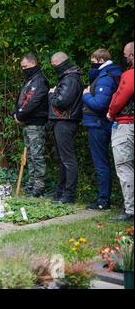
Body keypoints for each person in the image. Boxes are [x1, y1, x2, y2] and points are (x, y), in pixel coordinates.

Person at [82, 49, 122, 210]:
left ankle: (103, 200)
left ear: (100, 60)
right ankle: (104, 197)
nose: (91, 64)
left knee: (101, 163)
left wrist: (85, 95)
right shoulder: (109, 74)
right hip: (101, 123)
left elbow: (99, 104)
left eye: (93, 60)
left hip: (98, 124)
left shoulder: (105, 77)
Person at [48, 52, 83, 205]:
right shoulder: (67, 78)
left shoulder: (70, 79)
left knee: (67, 159)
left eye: (54, 65)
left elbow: (61, 101)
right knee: (62, 159)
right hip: (61, 121)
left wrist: (51, 94)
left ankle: (68, 195)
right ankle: (61, 191)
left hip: (65, 122)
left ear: (62, 63)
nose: (53, 68)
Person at [13, 52, 49, 197]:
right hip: (27, 122)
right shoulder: (29, 80)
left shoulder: (40, 81)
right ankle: (32, 182)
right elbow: (21, 99)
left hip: (36, 123)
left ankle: (39, 185)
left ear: (33, 64)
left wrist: (21, 115)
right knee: (30, 155)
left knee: (37, 155)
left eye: (25, 66)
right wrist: (15, 113)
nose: (23, 69)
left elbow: (33, 102)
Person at [107, 41, 134, 222]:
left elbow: (121, 96)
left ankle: (130, 210)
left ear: (131, 56)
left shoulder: (130, 74)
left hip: (127, 125)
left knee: (125, 167)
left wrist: (111, 111)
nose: (124, 58)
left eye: (125, 55)